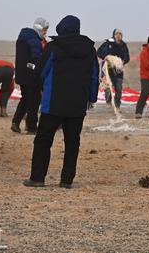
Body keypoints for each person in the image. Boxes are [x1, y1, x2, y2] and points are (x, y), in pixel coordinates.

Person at [23, 15, 98, 189]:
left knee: (43, 140)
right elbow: (94, 76)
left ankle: (37, 178)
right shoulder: (89, 50)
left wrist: (42, 86)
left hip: (53, 103)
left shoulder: (53, 47)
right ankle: (66, 180)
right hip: (77, 104)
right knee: (72, 142)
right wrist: (91, 98)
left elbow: (41, 72)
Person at [11, 17, 49, 134]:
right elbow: (36, 59)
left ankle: (16, 122)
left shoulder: (22, 38)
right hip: (31, 77)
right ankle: (31, 127)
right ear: (39, 28)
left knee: (25, 99)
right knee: (34, 101)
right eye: (44, 30)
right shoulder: (34, 41)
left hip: (21, 75)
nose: (45, 33)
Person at [97, 29, 130, 109]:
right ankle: (108, 101)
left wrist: (122, 61)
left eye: (120, 34)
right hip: (108, 69)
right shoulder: (108, 43)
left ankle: (117, 105)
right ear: (113, 35)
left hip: (118, 70)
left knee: (118, 88)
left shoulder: (123, 45)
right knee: (108, 86)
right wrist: (107, 57)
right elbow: (99, 52)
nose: (118, 35)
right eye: (116, 34)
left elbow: (127, 57)